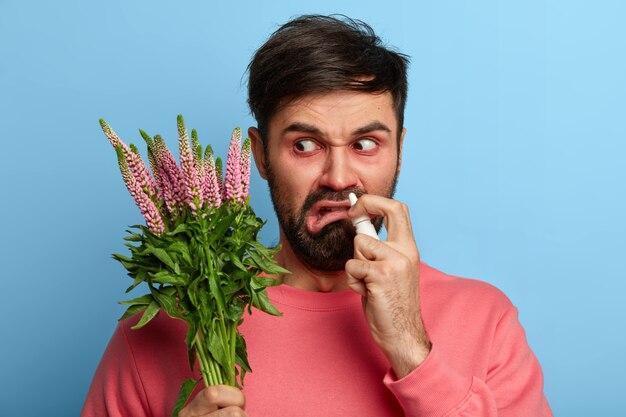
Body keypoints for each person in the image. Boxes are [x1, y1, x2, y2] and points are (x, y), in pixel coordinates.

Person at [82, 15, 552, 417]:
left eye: (365, 144)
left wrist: (411, 348)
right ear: (261, 157)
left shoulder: (485, 320)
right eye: (305, 145)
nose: (338, 176)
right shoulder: (163, 328)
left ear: (399, 151)